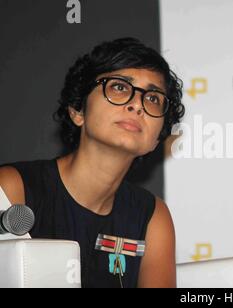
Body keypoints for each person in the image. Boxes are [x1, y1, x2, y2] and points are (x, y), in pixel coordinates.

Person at [0, 37, 184, 288]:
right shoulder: (12, 188)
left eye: (153, 98)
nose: (137, 105)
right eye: (119, 87)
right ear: (78, 111)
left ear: (156, 138)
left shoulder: (153, 217)